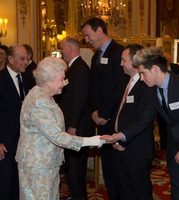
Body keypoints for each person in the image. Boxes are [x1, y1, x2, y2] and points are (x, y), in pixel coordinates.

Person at [15, 56, 105, 200]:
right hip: (37, 166)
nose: (65, 83)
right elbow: (56, 136)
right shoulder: (38, 101)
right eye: (62, 79)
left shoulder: (45, 95)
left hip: (47, 163)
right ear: (49, 80)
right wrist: (93, 141)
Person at [130, 47, 179, 200]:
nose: (141, 78)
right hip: (173, 148)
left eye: (143, 73)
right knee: (176, 190)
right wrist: (121, 136)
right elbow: (144, 121)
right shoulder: (151, 91)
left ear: (154, 69)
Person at [82, 17, 128, 200]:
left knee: (119, 170)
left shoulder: (120, 53)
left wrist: (105, 114)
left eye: (88, 35)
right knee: (108, 169)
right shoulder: (95, 57)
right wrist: (94, 111)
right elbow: (93, 88)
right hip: (100, 121)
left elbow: (121, 88)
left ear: (99, 30)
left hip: (115, 121)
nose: (86, 40)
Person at [111, 44, 155, 200]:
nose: (121, 64)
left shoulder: (147, 85)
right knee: (126, 191)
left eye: (124, 60)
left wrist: (122, 140)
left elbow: (142, 120)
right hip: (122, 146)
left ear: (135, 61)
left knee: (140, 192)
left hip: (137, 149)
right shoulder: (128, 81)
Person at [58, 37, 91, 200]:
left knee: (76, 171)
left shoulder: (80, 69)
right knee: (72, 170)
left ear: (71, 48)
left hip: (77, 128)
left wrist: (73, 126)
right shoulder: (73, 68)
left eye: (62, 48)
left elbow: (80, 100)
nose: (61, 51)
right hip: (73, 126)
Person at [0, 44, 29, 200]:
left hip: (22, 141)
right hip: (4, 143)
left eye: (27, 58)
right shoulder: (1, 79)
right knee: (5, 184)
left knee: (18, 183)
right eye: (22, 58)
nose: (26, 61)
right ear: (10, 59)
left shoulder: (26, 78)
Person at [157, 51, 179, 159]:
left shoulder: (175, 67)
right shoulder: (156, 72)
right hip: (162, 105)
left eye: (168, 59)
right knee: (163, 127)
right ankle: (164, 149)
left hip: (174, 101)